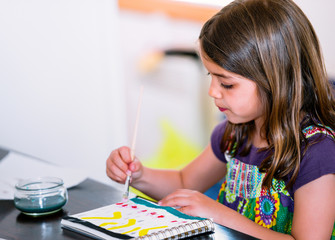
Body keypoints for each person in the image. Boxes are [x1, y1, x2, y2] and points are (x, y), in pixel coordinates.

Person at [106, 0, 335, 239]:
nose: (213, 91)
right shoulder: (234, 133)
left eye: (226, 83)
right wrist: (140, 175)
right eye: (211, 76)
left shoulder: (315, 151)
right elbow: (185, 181)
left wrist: (219, 214)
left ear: (276, 80)